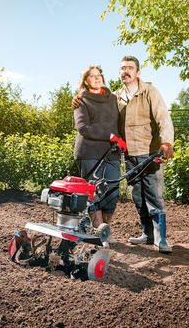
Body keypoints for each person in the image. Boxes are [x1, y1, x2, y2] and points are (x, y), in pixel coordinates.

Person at [72, 56, 174, 253]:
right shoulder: (116, 96)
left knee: (154, 196)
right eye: (122, 68)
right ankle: (147, 234)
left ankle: (161, 239)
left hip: (149, 152)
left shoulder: (150, 92)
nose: (126, 71)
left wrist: (167, 142)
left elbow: (164, 118)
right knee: (138, 196)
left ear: (138, 72)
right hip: (129, 154)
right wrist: (78, 96)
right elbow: (97, 103)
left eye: (130, 68)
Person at [73, 65, 127, 249]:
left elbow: (120, 122)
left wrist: (122, 141)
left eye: (99, 75)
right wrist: (110, 136)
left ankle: (106, 230)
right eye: (92, 76)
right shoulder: (82, 101)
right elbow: (83, 128)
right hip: (88, 152)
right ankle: (98, 233)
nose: (97, 78)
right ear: (86, 81)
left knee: (112, 192)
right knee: (94, 194)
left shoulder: (113, 99)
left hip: (111, 152)